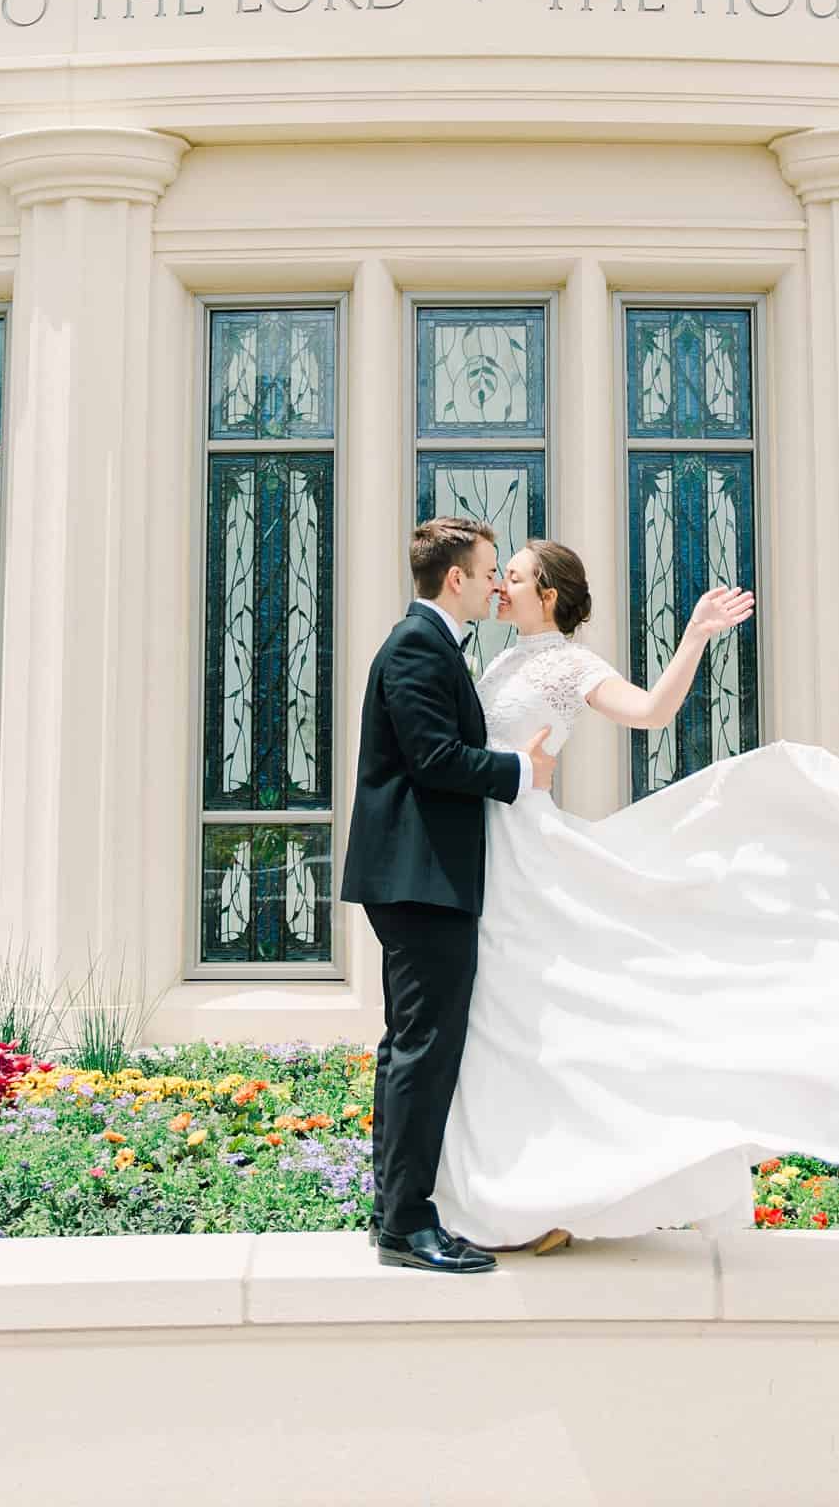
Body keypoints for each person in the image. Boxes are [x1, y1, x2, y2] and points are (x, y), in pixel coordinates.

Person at [432, 539, 839, 1253]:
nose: (501, 588)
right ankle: (523, 1188)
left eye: (515, 578)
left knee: (526, 1009)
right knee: (508, 1016)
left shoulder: (569, 665)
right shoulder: (499, 660)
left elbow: (649, 712)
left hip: (525, 851)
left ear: (548, 594)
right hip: (491, 845)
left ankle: (539, 1197)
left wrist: (694, 638)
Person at [338, 515, 557, 1273]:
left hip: (423, 877)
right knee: (424, 1050)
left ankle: (393, 1212)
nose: (499, 582)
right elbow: (433, 758)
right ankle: (407, 1223)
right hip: (419, 879)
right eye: (491, 569)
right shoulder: (414, 647)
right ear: (456, 578)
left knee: (412, 1046)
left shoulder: (433, 646)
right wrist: (519, 773)